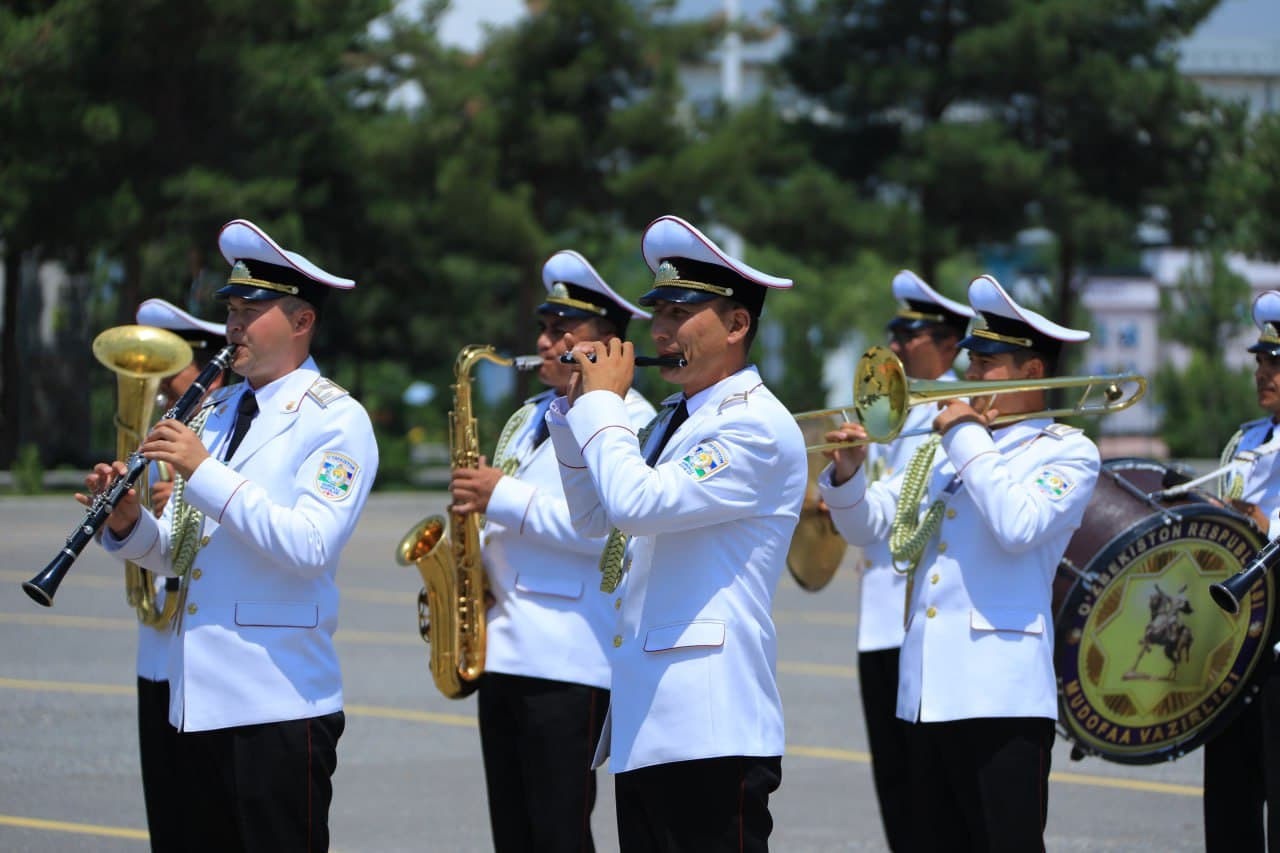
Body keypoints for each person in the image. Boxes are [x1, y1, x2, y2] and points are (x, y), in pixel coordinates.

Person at [82, 219, 379, 852]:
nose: (235, 324)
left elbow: (309, 546)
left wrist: (203, 470)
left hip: (277, 707)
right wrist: (130, 525)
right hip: (197, 703)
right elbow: (182, 552)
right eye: (232, 309)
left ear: (301, 323)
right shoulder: (216, 415)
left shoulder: (337, 421)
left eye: (251, 310)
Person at [546, 215, 807, 852]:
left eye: (682, 312)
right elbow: (595, 519)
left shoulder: (753, 426)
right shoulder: (683, 421)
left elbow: (636, 503)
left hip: (711, 725)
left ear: (738, 325)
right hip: (652, 722)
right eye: (658, 311)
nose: (660, 329)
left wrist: (605, 406)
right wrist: (574, 408)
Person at [818, 274, 1100, 852]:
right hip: (928, 694)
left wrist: (968, 436)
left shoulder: (1067, 451)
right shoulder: (948, 452)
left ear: (1032, 372)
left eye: (987, 365)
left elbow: (1018, 525)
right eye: (971, 363)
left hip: (1001, 695)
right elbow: (875, 526)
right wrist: (847, 475)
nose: (970, 378)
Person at [448, 250, 656, 852]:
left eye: (564, 331)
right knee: (514, 832)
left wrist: (500, 495)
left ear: (609, 344)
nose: (545, 341)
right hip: (506, 643)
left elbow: (612, 533)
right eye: (544, 328)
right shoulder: (530, 415)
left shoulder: (631, 418)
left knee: (558, 832)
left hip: (571, 652)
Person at [855, 271, 974, 852]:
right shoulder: (896, 411)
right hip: (879, 615)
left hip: (916, 620)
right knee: (897, 790)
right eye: (894, 331)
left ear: (950, 344)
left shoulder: (956, 411)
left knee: (929, 802)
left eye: (911, 331)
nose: (896, 344)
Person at [131, 297, 230, 853]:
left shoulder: (229, 429)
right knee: (167, 816)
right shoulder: (162, 425)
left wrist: (188, 490)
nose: (165, 385)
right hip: (158, 644)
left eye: (172, 369)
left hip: (205, 643)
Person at [1203, 289, 1280, 852]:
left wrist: (1260, 528)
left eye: (1276, 362)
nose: (1263, 372)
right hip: (1235, 655)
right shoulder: (1249, 443)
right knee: (1229, 815)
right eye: (1260, 360)